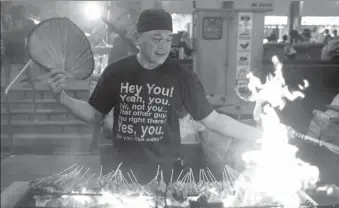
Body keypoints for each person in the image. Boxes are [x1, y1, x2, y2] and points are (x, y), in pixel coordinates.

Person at [45, 9, 262, 183]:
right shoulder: (116, 72)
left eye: (168, 39)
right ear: (138, 38)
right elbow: (94, 115)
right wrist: (62, 98)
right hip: (124, 173)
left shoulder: (182, 76)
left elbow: (213, 120)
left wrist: (259, 135)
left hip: (167, 175)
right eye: (156, 38)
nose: (163, 46)